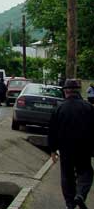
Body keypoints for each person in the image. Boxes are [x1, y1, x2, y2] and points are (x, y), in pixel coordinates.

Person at [49, 79, 94, 209]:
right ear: (78, 91)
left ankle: (70, 204)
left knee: (67, 175)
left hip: (66, 149)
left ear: (65, 91)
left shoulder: (59, 108)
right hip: (84, 148)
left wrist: (53, 150)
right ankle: (80, 194)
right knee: (85, 173)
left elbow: (52, 131)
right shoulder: (88, 108)